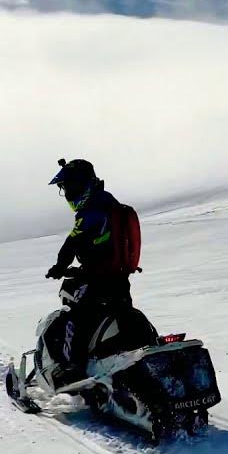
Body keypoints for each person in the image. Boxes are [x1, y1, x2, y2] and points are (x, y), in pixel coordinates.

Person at [45, 158, 134, 378]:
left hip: (98, 278)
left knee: (75, 316)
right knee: (124, 315)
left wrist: (59, 266)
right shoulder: (109, 202)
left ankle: (72, 369)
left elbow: (73, 241)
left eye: (67, 187)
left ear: (80, 184)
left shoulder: (91, 210)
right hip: (119, 276)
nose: (66, 193)